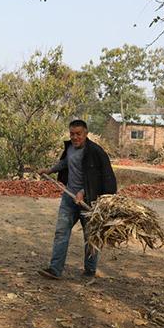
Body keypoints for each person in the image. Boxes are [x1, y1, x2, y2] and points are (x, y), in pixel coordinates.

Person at [37, 119, 117, 279]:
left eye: (78, 134)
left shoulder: (95, 152)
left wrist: (83, 193)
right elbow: (65, 162)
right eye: (72, 134)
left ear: (86, 133)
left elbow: (98, 178)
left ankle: (90, 270)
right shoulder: (70, 149)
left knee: (90, 237)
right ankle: (55, 269)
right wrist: (50, 170)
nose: (75, 137)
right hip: (69, 198)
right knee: (61, 232)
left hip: (88, 202)